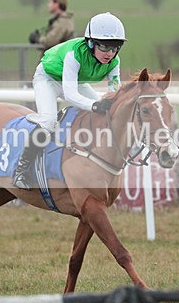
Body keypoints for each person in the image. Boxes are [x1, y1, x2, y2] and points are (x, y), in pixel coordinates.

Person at [13, 12, 125, 189]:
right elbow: (71, 95)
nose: (109, 53)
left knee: (105, 115)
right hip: (48, 79)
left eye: (114, 48)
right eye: (104, 47)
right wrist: (95, 105)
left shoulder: (114, 62)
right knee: (48, 121)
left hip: (74, 81)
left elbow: (114, 93)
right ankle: (21, 169)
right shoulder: (75, 54)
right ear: (90, 43)